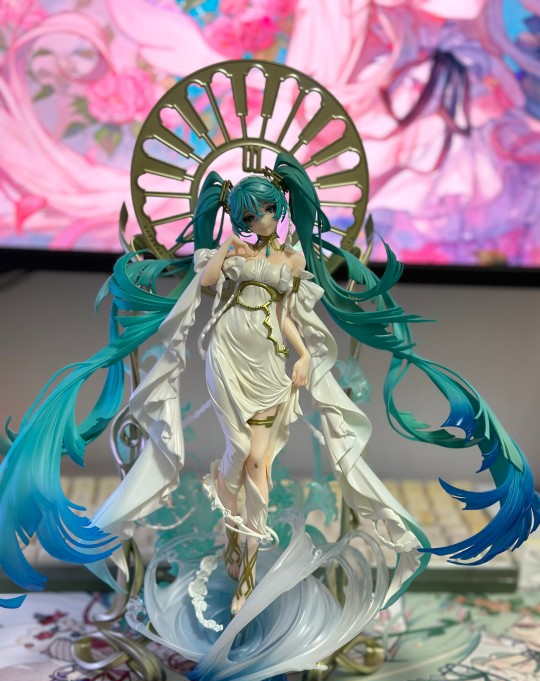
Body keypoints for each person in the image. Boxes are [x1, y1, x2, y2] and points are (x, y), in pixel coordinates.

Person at [0, 153, 537, 618]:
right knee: (244, 456)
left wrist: (303, 357)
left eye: (265, 212)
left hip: (272, 361)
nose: (258, 221)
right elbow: (206, 283)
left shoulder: (291, 258)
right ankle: (241, 554)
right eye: (248, 215)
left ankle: (243, 553)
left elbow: (287, 317)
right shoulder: (233, 254)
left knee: (258, 462)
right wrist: (220, 245)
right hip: (227, 354)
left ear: (279, 212)